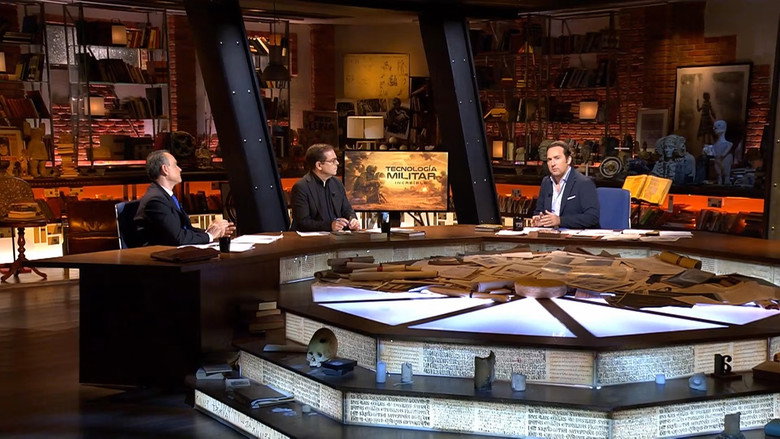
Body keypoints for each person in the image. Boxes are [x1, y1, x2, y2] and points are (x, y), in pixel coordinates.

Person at [135, 150, 233, 246]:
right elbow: (177, 238)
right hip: (159, 254)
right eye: (175, 165)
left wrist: (210, 231)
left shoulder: (164, 196)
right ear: (165, 169)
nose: (180, 169)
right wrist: (210, 236)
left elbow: (186, 229)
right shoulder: (156, 200)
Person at [290, 144, 360, 232]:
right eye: (333, 161)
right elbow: (303, 222)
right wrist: (330, 226)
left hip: (337, 236)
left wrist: (352, 219)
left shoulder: (337, 183)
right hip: (310, 238)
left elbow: (347, 209)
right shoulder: (301, 187)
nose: (337, 163)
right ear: (319, 165)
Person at [532, 141, 599, 228]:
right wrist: (538, 218)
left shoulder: (584, 183)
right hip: (550, 233)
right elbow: (539, 211)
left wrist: (560, 221)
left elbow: (592, 217)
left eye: (557, 158)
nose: (553, 164)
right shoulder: (546, 182)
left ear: (568, 160)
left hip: (575, 234)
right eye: (549, 159)